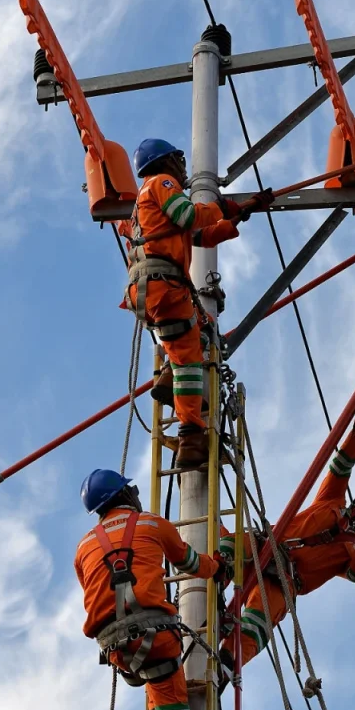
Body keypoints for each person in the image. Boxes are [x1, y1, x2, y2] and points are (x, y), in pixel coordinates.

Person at [74, 468, 231, 710]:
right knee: (173, 703)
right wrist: (218, 567)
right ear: (125, 496)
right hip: (155, 636)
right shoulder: (152, 524)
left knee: (156, 688)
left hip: (115, 647)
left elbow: (97, 591)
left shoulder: (83, 546)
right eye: (133, 490)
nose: (138, 494)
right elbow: (190, 563)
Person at [219, 384, 355, 669]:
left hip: (284, 579)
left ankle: (227, 661)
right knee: (225, 545)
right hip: (264, 546)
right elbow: (344, 458)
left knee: (258, 622)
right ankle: (211, 587)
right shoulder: (333, 501)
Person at [124, 138, 273, 468]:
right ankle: (191, 434)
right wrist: (222, 205)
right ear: (165, 162)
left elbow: (201, 236)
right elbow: (190, 215)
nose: (183, 168)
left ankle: (171, 382)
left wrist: (239, 212)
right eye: (178, 160)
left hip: (149, 291)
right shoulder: (162, 184)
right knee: (191, 360)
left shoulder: (146, 206)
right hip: (164, 286)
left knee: (198, 335)